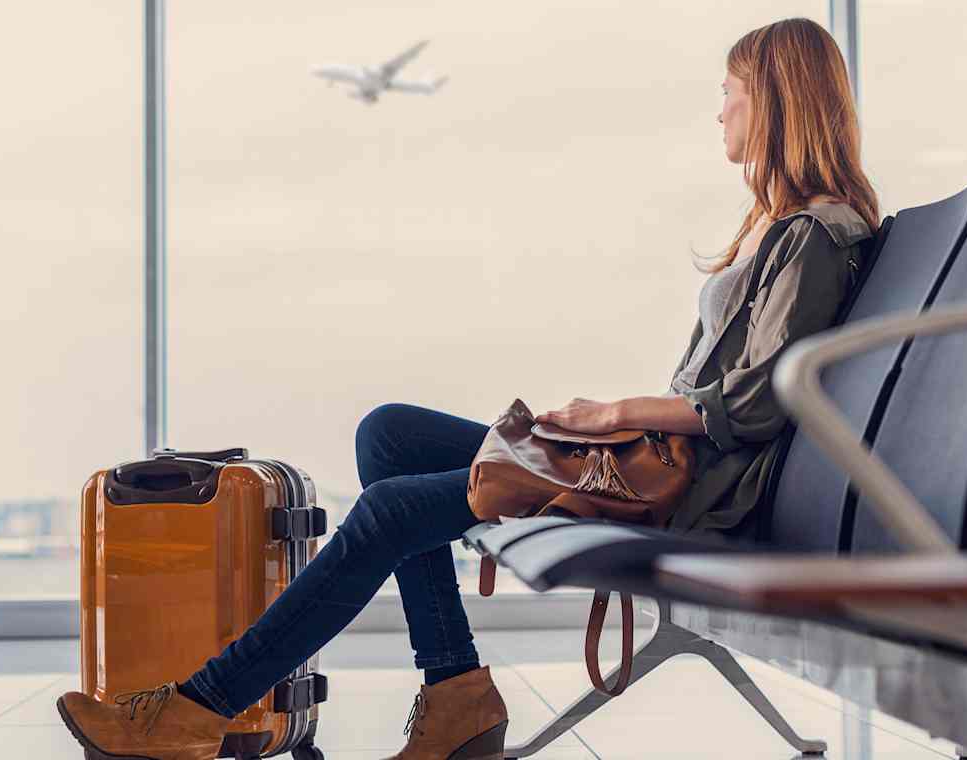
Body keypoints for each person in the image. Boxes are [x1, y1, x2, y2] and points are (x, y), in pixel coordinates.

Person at [55, 17, 878, 760]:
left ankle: (200, 708)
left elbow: (761, 402)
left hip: (688, 490)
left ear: (773, 103)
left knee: (389, 509)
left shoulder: (816, 233)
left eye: (730, 95)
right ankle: (455, 690)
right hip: (653, 462)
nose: (720, 113)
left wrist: (617, 414)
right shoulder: (778, 224)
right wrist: (605, 425)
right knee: (389, 435)